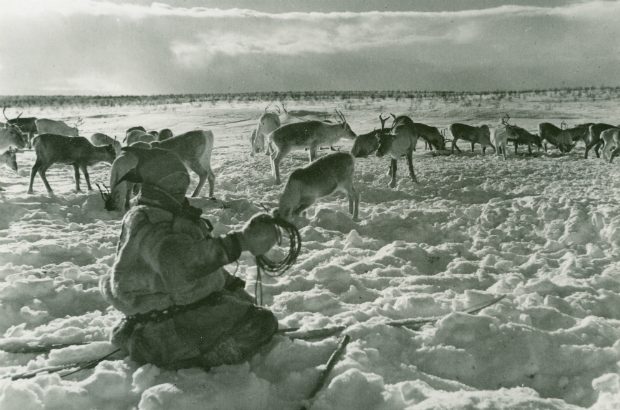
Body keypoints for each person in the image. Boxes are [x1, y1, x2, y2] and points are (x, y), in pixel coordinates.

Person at [99, 147, 279, 370]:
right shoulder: (151, 223)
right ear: (158, 183)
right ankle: (193, 357)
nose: (181, 186)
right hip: (167, 326)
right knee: (263, 323)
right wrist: (238, 242)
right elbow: (180, 265)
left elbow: (198, 261)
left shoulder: (165, 212)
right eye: (175, 181)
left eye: (183, 180)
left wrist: (231, 286)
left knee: (251, 311)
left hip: (171, 309)